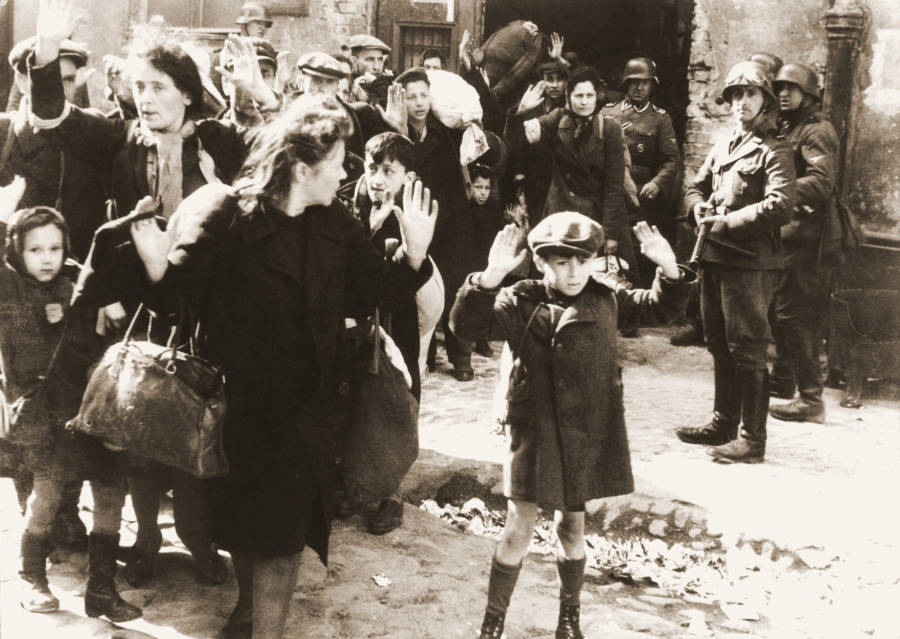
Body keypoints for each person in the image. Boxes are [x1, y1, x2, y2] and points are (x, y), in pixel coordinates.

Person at [125, 94, 438, 639]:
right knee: (247, 528)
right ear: (301, 167)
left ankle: (263, 629)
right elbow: (178, 300)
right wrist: (155, 269)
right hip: (235, 405)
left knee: (284, 532)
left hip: (307, 408)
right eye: (340, 160)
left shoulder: (335, 221)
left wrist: (412, 255)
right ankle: (248, 612)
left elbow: (372, 293)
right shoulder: (228, 216)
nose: (348, 172)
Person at [28, 0, 278, 585]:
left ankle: (195, 537)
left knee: (197, 424)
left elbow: (280, 159)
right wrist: (44, 54)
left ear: (187, 92)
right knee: (136, 425)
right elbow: (51, 121)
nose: (145, 97)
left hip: (206, 308)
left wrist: (258, 91)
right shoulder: (120, 143)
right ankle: (143, 538)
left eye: (159, 86)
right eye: (139, 86)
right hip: (139, 310)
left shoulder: (219, 139)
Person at [450, 213, 691, 639]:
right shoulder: (519, 299)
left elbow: (662, 308)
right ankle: (492, 625)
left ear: (596, 261)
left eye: (583, 260)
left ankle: (569, 620)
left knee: (572, 526)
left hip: (584, 432)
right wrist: (489, 278)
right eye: (562, 262)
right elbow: (466, 326)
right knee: (517, 527)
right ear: (542, 263)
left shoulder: (607, 298)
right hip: (534, 430)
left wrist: (668, 269)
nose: (575, 271)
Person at [0, 206, 142, 621]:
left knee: (111, 490)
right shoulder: (9, 290)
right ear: (16, 252)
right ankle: (32, 578)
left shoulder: (77, 285)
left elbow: (101, 268)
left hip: (90, 405)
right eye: (35, 249)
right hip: (43, 411)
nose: (46, 257)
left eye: (55, 248)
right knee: (48, 491)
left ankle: (101, 589)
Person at [674, 60, 796, 464]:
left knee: (747, 347)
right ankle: (723, 422)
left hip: (750, 262)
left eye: (750, 94)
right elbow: (694, 184)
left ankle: (752, 439)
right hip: (714, 257)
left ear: (765, 102)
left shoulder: (774, 150)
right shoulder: (725, 142)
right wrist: (697, 209)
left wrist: (728, 221)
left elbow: (780, 206)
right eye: (736, 95)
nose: (741, 102)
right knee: (717, 342)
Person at [349, 131, 444, 534]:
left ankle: (393, 495)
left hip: (397, 323)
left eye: (389, 170)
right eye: (373, 168)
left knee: (399, 401)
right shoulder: (349, 210)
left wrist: (410, 253)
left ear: (407, 176)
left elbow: (418, 281)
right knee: (357, 401)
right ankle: (353, 485)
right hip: (356, 325)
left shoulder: (409, 217)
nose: (378, 178)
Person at [511, 66, 637, 278]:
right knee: (557, 276)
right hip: (562, 212)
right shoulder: (558, 118)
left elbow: (614, 186)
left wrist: (610, 234)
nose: (585, 101)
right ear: (569, 97)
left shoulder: (609, 129)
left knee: (603, 278)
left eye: (590, 95)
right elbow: (525, 138)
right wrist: (521, 114)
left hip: (597, 213)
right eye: (579, 95)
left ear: (597, 97)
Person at [768, 63, 842, 423]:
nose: (784, 93)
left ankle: (811, 399)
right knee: (781, 311)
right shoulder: (789, 126)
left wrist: (777, 191)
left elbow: (822, 181)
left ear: (808, 95)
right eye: (780, 87)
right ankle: (783, 381)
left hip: (810, 241)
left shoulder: (817, 131)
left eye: (792, 89)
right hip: (791, 236)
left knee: (796, 316)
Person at [392, 67, 473, 380]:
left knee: (453, 288)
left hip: (446, 224)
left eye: (423, 95)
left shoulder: (444, 134)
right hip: (413, 225)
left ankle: (461, 356)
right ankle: (422, 355)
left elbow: (455, 181)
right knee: (417, 291)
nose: (419, 103)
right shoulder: (397, 134)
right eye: (411, 97)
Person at [601, 57, 681, 286]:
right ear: (625, 83)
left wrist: (657, 182)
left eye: (644, 82)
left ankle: (642, 298)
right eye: (634, 81)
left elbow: (671, 159)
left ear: (652, 86)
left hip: (644, 196)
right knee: (609, 245)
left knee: (642, 249)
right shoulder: (609, 112)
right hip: (612, 191)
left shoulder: (660, 118)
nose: (639, 87)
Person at [347, 34, 393, 105]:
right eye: (370, 59)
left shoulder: (389, 85)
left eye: (380, 59)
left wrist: (378, 84)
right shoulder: (345, 87)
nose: (377, 67)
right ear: (354, 61)